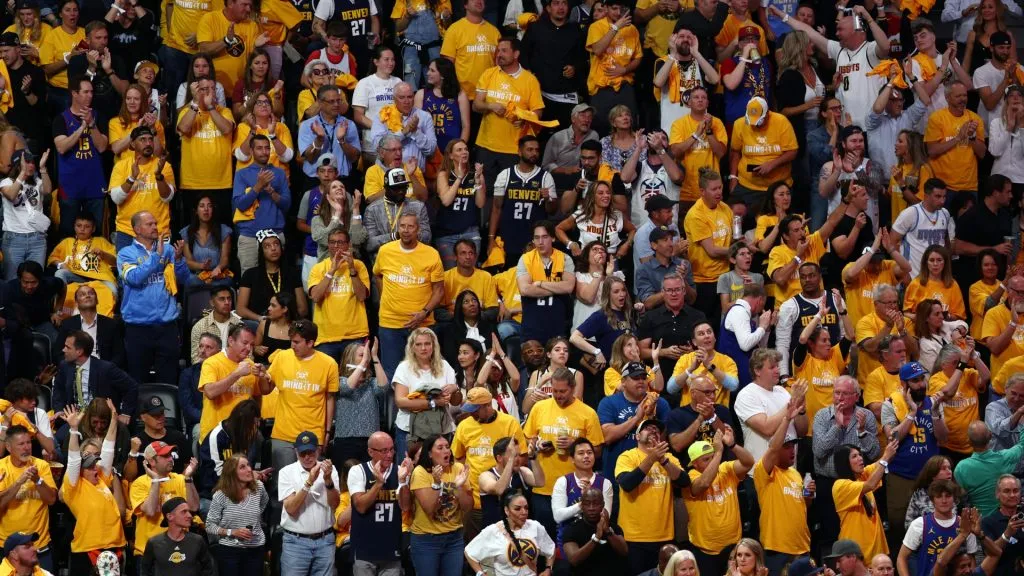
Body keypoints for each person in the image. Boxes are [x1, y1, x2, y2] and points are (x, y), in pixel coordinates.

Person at [774, 4, 889, 127]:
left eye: (840, 29)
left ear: (854, 30)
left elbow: (886, 46)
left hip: (872, 125)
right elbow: (809, 31)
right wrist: (783, 16)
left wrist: (868, 17)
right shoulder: (839, 49)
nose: (836, 33)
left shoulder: (870, 50)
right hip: (845, 126)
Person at [524, 367, 604, 534]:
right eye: (554, 391)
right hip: (543, 486)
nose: (558, 395)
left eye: (563, 391)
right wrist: (536, 446)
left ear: (573, 388)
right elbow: (527, 440)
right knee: (544, 540)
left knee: (573, 539)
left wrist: (574, 445)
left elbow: (597, 451)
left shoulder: (588, 413)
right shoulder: (539, 408)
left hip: (575, 489)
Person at [117, 210, 189, 385]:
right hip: (138, 328)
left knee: (169, 379)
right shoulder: (125, 254)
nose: (155, 227)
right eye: (149, 224)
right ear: (137, 229)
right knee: (138, 380)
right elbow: (134, 278)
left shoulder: (169, 250)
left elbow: (183, 279)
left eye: (155, 223)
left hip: (167, 326)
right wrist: (156, 256)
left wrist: (178, 260)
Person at [373, 211, 444, 380]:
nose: (405, 230)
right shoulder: (385, 251)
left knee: (424, 372)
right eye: (402, 226)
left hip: (422, 324)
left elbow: (439, 291)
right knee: (391, 374)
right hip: (390, 323)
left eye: (410, 226)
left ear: (418, 230)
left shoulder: (431, 254)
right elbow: (377, 274)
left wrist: (424, 312)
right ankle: (394, 407)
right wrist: (385, 296)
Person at [616, 418, 689, 575]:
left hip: (665, 535)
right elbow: (627, 484)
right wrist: (652, 457)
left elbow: (684, 482)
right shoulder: (627, 457)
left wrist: (663, 460)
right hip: (634, 537)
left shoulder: (670, 459)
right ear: (637, 436)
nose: (653, 430)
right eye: (647, 428)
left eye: (656, 430)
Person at [451, 387, 527, 536]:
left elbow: (522, 457)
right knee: (474, 547)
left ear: (488, 405)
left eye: (475, 409)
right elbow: (458, 457)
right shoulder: (464, 426)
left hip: (504, 501)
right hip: (474, 501)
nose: (471, 413)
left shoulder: (509, 423)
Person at [683, 427, 754, 576]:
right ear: (695, 464)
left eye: (712, 456)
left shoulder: (726, 469)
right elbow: (703, 484)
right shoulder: (690, 477)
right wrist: (719, 452)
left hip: (734, 549)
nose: (711, 461)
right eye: (706, 459)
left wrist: (733, 445)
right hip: (706, 551)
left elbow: (748, 463)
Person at [756, 397, 812, 575]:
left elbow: (802, 508)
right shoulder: (764, 472)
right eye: (786, 446)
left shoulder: (795, 474)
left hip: (802, 548)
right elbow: (773, 449)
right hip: (777, 549)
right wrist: (787, 418)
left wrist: (808, 498)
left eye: (793, 446)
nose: (791, 450)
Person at [278, 431, 341, 576]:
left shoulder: (330, 470)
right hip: (296, 543)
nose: (307, 457)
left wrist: (328, 480)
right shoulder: (286, 472)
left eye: (311, 452)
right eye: (302, 453)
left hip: (325, 541)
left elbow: (334, 504)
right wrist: (309, 482)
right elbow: (291, 509)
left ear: (318, 450)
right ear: (296, 452)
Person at [409, 435, 473, 576]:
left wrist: (459, 488)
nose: (446, 451)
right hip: (426, 540)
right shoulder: (421, 472)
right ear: (430, 454)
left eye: (447, 447)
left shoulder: (458, 468)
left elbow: (468, 507)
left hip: (454, 538)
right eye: (440, 448)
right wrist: (438, 485)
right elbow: (430, 509)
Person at [52, 75, 107, 236]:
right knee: (68, 233)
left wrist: (91, 125)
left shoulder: (99, 117)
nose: (90, 95)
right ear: (74, 94)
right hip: (70, 186)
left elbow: (102, 147)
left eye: (91, 92)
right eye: (85, 92)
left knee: (96, 234)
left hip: (95, 184)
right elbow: (61, 147)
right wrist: (81, 128)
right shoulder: (61, 119)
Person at [490, 137, 558, 267]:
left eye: (537, 150)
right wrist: (491, 238)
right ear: (519, 152)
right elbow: (496, 208)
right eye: (529, 150)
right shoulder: (505, 175)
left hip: (534, 241)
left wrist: (548, 199)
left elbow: (552, 211)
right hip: (508, 237)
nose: (534, 153)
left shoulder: (545, 177)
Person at [177, 75, 235, 225]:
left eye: (212, 89)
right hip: (193, 183)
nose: (209, 92)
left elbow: (227, 129)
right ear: (195, 92)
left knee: (222, 231)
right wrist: (195, 103)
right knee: (191, 230)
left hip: (222, 182)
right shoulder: (186, 112)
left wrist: (210, 107)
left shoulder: (225, 111)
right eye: (204, 89)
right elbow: (183, 128)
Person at [598, 362, 670, 482]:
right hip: (616, 473)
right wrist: (637, 418)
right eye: (635, 378)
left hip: (652, 475)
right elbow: (607, 436)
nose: (641, 381)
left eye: (643, 377)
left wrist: (651, 417)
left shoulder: (660, 403)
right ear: (623, 381)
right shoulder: (608, 403)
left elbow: (663, 441)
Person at [129, 441, 200, 562]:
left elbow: (193, 507)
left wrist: (188, 478)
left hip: (180, 549)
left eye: (170, 454)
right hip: (149, 552)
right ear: (151, 461)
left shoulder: (180, 479)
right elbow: (151, 511)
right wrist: (156, 481)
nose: (170, 459)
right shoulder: (139, 483)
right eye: (165, 456)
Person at [0, 425, 57, 571]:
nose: (26, 447)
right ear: (8, 447)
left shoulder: (41, 466)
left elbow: (51, 499)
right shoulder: (1, 468)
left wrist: (37, 480)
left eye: (29, 443)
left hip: (39, 547)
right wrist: (19, 482)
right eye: (21, 444)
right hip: (9, 550)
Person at [233, 135, 291, 274]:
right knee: (249, 280)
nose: (264, 152)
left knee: (278, 278)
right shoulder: (242, 174)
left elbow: (287, 205)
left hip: (275, 234)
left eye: (267, 148)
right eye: (259, 148)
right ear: (252, 151)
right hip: (249, 236)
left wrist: (272, 192)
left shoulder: (279, 173)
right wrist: (258, 186)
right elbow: (240, 204)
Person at [197, 324, 266, 442]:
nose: (249, 348)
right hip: (215, 435)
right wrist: (236, 374)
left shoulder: (251, 365)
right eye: (244, 343)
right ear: (231, 341)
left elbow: (258, 394)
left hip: (244, 434)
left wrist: (263, 376)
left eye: (252, 344)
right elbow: (210, 392)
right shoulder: (211, 363)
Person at [832, 440, 898, 561]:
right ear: (844, 462)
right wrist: (885, 458)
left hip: (877, 552)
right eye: (854, 456)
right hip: (856, 553)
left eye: (860, 455)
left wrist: (891, 446)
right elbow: (871, 484)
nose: (860, 458)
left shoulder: (862, 476)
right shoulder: (840, 486)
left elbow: (883, 460)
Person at [465, 489, 556, 576]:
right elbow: (469, 553)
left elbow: (551, 549)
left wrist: (548, 569)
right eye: (517, 509)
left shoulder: (535, 527)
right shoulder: (493, 531)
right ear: (507, 511)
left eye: (526, 508)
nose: (524, 512)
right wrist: (480, 574)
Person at [896, 479, 976, 576]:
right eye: (939, 496)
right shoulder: (919, 524)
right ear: (932, 500)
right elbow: (901, 558)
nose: (944, 500)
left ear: (955, 499)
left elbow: (972, 559)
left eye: (948, 496)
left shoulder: (964, 524)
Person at [683, 168, 732, 325]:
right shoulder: (696, 215)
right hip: (704, 280)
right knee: (707, 325)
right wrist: (736, 251)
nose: (718, 192)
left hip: (725, 276)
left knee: (725, 323)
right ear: (702, 191)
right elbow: (711, 250)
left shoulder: (725, 208)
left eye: (720, 187)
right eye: (714, 189)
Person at [205, 454, 270, 572]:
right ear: (232, 473)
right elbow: (210, 526)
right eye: (242, 467)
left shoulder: (259, 487)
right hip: (229, 551)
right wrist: (232, 532)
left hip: (256, 549)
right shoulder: (221, 495)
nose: (249, 469)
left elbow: (264, 503)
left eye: (248, 465)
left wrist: (253, 516)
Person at [584, 0, 640, 134]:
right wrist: (615, 27)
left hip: (625, 85)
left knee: (628, 128)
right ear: (606, 8)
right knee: (601, 129)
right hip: (602, 87)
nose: (619, 12)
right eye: (614, 8)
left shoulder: (632, 29)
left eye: (622, 8)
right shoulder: (596, 27)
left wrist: (625, 69)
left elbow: (638, 57)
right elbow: (597, 50)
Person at [517, 221, 576, 347]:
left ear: (553, 238)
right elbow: (525, 289)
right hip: (531, 329)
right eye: (536, 238)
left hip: (557, 327)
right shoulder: (525, 259)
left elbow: (569, 287)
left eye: (545, 237)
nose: (540, 242)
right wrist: (558, 288)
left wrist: (540, 283)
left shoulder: (565, 259)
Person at [52, 329, 137, 416]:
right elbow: (58, 389)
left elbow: (131, 387)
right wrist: (59, 410)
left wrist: (125, 413)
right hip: (73, 417)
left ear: (79, 352)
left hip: (100, 419)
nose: (63, 350)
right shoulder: (65, 366)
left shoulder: (106, 369)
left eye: (68, 347)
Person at [924, 81, 985, 198]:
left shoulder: (975, 119)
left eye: (965, 95)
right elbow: (932, 151)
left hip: (969, 186)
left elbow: (982, 153)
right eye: (958, 96)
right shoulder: (937, 118)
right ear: (947, 98)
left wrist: (971, 137)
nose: (963, 99)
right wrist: (958, 138)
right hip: (942, 188)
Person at [929, 343, 990, 460]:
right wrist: (961, 364)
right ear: (943, 365)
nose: (958, 366)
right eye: (955, 363)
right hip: (948, 446)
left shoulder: (967, 374)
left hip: (974, 445)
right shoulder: (936, 379)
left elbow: (986, 377)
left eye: (960, 362)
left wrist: (974, 356)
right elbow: (948, 392)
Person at [236, 229, 308, 323]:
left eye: (276, 244)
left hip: (288, 325)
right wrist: (260, 319)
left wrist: (285, 321)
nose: (273, 248)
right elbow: (240, 309)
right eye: (267, 246)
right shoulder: (250, 275)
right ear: (261, 251)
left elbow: (303, 309)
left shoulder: (292, 273)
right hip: (260, 323)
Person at [954, 421, 1024, 516]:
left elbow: (960, 499)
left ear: (969, 441)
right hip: (1006, 519)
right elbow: (1022, 445)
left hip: (979, 524)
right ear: (990, 436)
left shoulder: (961, 468)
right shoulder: (1004, 458)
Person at [196, 398, 261, 500]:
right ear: (242, 422)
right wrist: (247, 476)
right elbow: (216, 475)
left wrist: (254, 474)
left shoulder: (245, 436)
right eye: (252, 424)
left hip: (239, 490)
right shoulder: (216, 437)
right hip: (214, 495)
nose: (254, 428)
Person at [297, 85, 361, 187]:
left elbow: (354, 158)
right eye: (331, 101)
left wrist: (342, 141)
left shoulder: (349, 124)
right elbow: (310, 158)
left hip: (342, 181)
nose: (336, 104)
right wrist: (319, 139)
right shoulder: (307, 125)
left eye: (338, 100)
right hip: (315, 182)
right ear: (320, 102)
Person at [0, 149, 50, 281]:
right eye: (27, 162)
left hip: (37, 239)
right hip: (14, 239)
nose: (32, 165)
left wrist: (43, 168)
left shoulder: (37, 181)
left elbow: (48, 190)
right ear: (18, 164)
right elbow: (11, 195)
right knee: (12, 280)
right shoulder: (6, 183)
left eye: (33, 162)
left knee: (35, 281)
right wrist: (22, 173)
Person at [435, 142, 486, 268]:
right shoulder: (444, 174)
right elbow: (446, 200)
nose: (464, 152)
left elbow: (480, 204)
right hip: (447, 234)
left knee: (469, 272)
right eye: (459, 150)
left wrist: (478, 181)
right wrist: (458, 178)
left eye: (466, 149)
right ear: (451, 155)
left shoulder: (475, 175)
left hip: (470, 232)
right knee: (450, 274)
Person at [369, 81, 436, 171]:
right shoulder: (383, 115)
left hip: (417, 174)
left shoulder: (424, 117)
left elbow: (430, 150)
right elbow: (377, 145)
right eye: (402, 97)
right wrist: (404, 132)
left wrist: (416, 131)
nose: (406, 101)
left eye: (410, 97)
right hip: (387, 173)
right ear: (394, 99)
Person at [141, 497, 217, 576]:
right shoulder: (154, 543)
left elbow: (208, 569)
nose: (189, 515)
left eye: (189, 511)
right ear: (170, 516)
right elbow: (145, 571)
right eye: (184, 512)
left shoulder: (198, 541)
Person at [561, 487, 628, 575]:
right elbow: (574, 560)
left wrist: (607, 531)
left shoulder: (614, 528)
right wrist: (596, 538)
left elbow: (624, 552)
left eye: (596, 504)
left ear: (603, 504)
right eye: (587, 504)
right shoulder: (571, 530)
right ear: (582, 506)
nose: (591, 508)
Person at [351, 47, 401, 166]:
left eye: (392, 60)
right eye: (386, 59)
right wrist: (380, 129)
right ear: (376, 62)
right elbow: (358, 116)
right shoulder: (365, 83)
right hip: (372, 145)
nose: (391, 63)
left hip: (396, 142)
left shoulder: (398, 82)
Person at [635, 227, 696, 309]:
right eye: (665, 240)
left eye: (671, 239)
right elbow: (648, 303)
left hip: (682, 315)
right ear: (654, 245)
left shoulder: (683, 264)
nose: (670, 244)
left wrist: (683, 280)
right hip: (658, 317)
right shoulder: (644, 270)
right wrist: (672, 287)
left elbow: (692, 300)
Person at [181, 194, 234, 288]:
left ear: (213, 210)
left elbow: (225, 259)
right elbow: (188, 262)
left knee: (226, 282)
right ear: (196, 211)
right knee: (191, 281)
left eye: (209, 206)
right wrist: (202, 266)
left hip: (218, 275)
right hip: (197, 276)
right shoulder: (187, 232)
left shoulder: (224, 230)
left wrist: (218, 268)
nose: (206, 209)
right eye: (202, 206)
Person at [135, 395, 192, 475]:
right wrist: (132, 453)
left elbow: (188, 465)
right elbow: (129, 477)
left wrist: (180, 482)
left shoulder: (178, 438)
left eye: (162, 413)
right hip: (147, 486)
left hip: (175, 485)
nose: (160, 417)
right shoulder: (136, 442)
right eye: (155, 415)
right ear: (143, 417)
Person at [980, 475, 1024, 576]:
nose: (1012, 495)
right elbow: (989, 553)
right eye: (1007, 491)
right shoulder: (988, 522)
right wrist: (1007, 534)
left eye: (1016, 490)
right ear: (997, 494)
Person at [189, 287, 242, 363]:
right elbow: (195, 359)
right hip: (207, 371)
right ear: (212, 302)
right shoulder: (199, 327)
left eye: (229, 299)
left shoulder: (240, 326)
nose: (227, 302)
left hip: (235, 370)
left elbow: (248, 357)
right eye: (222, 299)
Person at [986, 373, 1024, 451]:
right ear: (1005, 389)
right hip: (1001, 461)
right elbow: (1000, 431)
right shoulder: (993, 407)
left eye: (1022, 396)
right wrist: (1019, 412)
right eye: (1013, 393)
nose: (1016, 399)